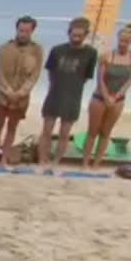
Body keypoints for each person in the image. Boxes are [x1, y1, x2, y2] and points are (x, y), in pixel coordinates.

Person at [38, 17, 98, 172]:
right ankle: (42, 160)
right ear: (68, 32)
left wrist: (73, 86)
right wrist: (57, 86)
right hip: (54, 94)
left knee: (64, 133)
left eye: (80, 36)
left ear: (86, 35)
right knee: (46, 130)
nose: (76, 38)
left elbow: (86, 77)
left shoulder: (91, 53)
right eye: (73, 35)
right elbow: (50, 73)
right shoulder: (57, 50)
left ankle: (56, 162)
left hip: (73, 97)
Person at [0, 16, 44, 171]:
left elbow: (35, 75)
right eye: (21, 30)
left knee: (12, 128)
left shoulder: (37, 50)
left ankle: (4, 160)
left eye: (26, 31)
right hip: (2, 96)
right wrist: (8, 91)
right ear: (16, 29)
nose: (23, 34)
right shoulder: (4, 48)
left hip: (21, 99)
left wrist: (21, 92)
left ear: (32, 31)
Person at [84, 23, 131, 168]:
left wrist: (116, 97)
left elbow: (130, 80)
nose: (123, 43)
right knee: (92, 131)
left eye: (126, 41)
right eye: (121, 40)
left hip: (118, 99)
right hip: (100, 97)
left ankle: (97, 163)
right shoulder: (106, 56)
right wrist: (106, 96)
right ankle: (85, 162)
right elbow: (100, 79)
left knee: (106, 132)